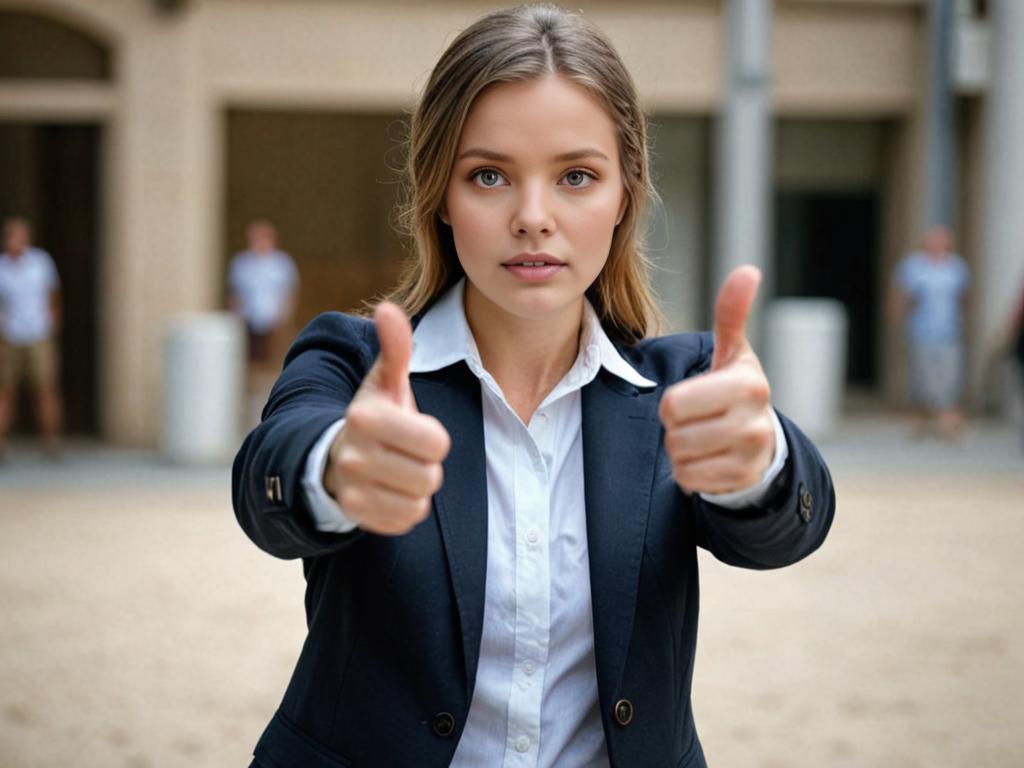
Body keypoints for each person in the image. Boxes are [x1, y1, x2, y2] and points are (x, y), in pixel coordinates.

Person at [233, 6, 835, 767]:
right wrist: (336, 469)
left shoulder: (683, 390)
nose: (533, 218)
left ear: (624, 196)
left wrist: (761, 466)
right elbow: (267, 483)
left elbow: (789, 530)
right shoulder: (352, 366)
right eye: (489, 175)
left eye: (576, 176)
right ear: (440, 196)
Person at [890, 226, 971, 440]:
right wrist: (898, 321)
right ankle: (945, 421)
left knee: (949, 378)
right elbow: (903, 297)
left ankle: (934, 422)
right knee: (925, 379)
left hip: (949, 332)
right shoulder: (914, 266)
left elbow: (963, 297)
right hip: (922, 331)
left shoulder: (956, 267)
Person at [0, 217, 63, 458]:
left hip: (39, 333)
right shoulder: (2, 267)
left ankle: (51, 441)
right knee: (6, 389)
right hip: (11, 335)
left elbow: (53, 294)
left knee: (46, 388)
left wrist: (52, 323)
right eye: (11, 237)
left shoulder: (41, 262)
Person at [228, 219, 299, 376]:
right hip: (249, 318)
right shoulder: (241, 263)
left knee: (274, 358)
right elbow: (235, 293)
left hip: (274, 318)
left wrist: (285, 315)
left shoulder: (282, 263)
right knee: (249, 358)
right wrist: (236, 316)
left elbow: (289, 292)